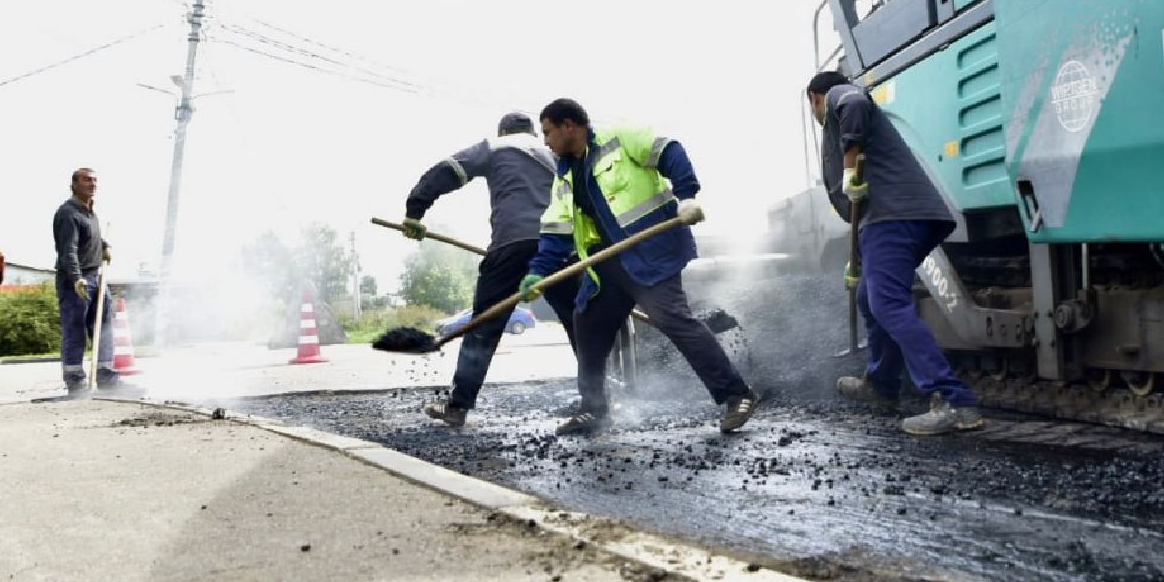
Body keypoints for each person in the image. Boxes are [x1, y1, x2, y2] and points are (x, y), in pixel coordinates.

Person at [520, 98, 759, 436]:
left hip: (649, 254)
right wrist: (538, 272)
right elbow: (555, 230)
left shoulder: (620, 137)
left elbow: (669, 151)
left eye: (547, 132)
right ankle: (594, 411)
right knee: (586, 323)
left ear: (568, 125)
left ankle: (738, 395)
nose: (546, 141)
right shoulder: (565, 177)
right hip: (606, 266)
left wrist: (687, 195)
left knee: (673, 318)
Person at [805, 72, 984, 436]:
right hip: (891, 217)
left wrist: (851, 166)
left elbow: (854, 102)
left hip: (894, 215)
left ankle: (954, 400)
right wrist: (857, 256)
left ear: (814, 97)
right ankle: (882, 385)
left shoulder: (842, 95)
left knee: (886, 302)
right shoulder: (841, 119)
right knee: (871, 298)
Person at [401, 111, 583, 427]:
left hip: (511, 244)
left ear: (502, 131)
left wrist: (415, 211)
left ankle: (457, 407)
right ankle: (598, 403)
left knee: (484, 328)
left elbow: (447, 171)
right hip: (561, 248)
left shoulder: (495, 147)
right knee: (581, 324)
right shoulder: (555, 156)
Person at [52, 167, 116, 396]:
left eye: (95, 180)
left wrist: (104, 245)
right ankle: (76, 382)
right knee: (75, 329)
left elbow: (91, 236)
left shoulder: (89, 212)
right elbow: (68, 251)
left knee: (105, 325)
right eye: (87, 180)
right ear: (74, 184)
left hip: (96, 275)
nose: (92, 184)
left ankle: (107, 376)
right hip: (75, 280)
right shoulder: (68, 213)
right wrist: (77, 278)